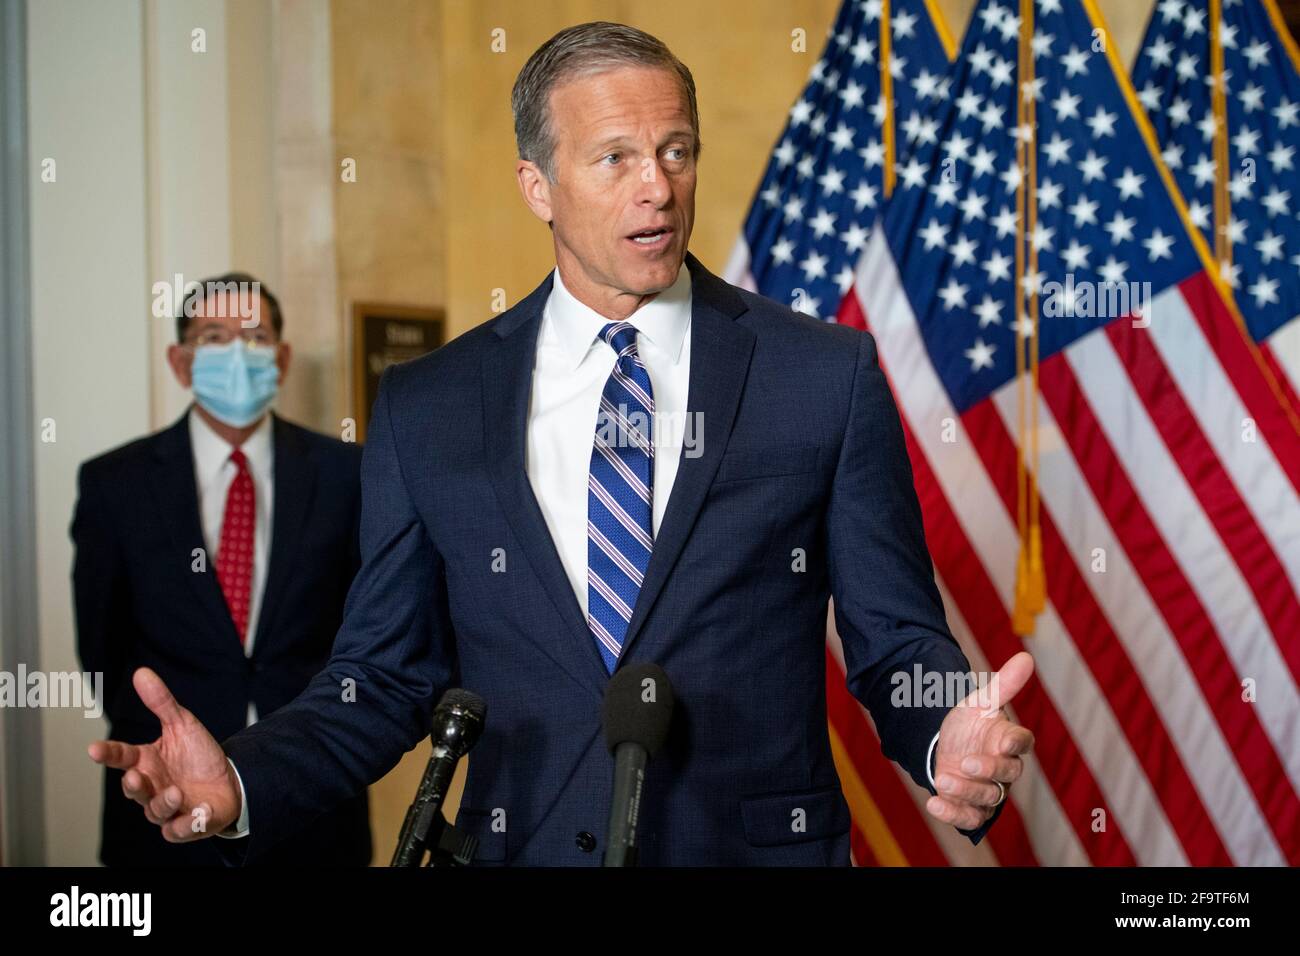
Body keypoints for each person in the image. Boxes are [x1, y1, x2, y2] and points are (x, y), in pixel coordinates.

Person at [89, 23, 1034, 866]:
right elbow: (382, 676)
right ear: (536, 186)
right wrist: (244, 782)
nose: (657, 187)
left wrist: (944, 728)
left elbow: (894, 637)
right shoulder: (430, 404)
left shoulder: (824, 375)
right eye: (614, 158)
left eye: (675, 151)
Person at [74, 273, 372, 865]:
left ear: (282, 359)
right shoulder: (117, 483)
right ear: (181, 363)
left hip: (312, 802)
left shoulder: (347, 474)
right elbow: (103, 647)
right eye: (214, 336)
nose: (237, 352)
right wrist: (161, 752)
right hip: (164, 801)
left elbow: (365, 635)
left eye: (255, 336)